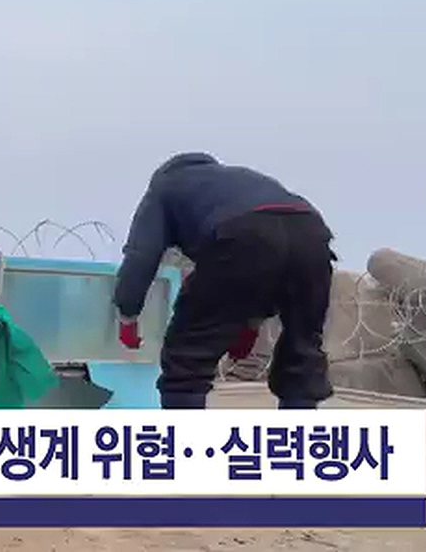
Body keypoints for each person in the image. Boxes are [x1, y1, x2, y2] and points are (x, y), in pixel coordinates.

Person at [113, 152, 336, 410]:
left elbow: (141, 255)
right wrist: (250, 326)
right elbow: (273, 250)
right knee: (302, 350)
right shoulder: (240, 179)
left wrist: (128, 314)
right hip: (310, 232)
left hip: (242, 233)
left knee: (187, 361)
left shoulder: (164, 188)